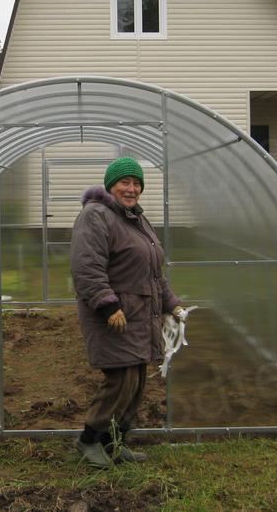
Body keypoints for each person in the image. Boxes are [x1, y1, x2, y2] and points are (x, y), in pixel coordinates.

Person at [70, 156, 187, 467]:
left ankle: (114, 442)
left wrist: (171, 302)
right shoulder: (96, 216)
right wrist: (108, 304)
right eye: (125, 182)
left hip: (140, 313)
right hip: (114, 315)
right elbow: (86, 266)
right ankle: (89, 440)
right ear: (111, 185)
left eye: (136, 183)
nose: (131, 188)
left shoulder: (136, 218)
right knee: (119, 380)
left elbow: (153, 272)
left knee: (135, 381)